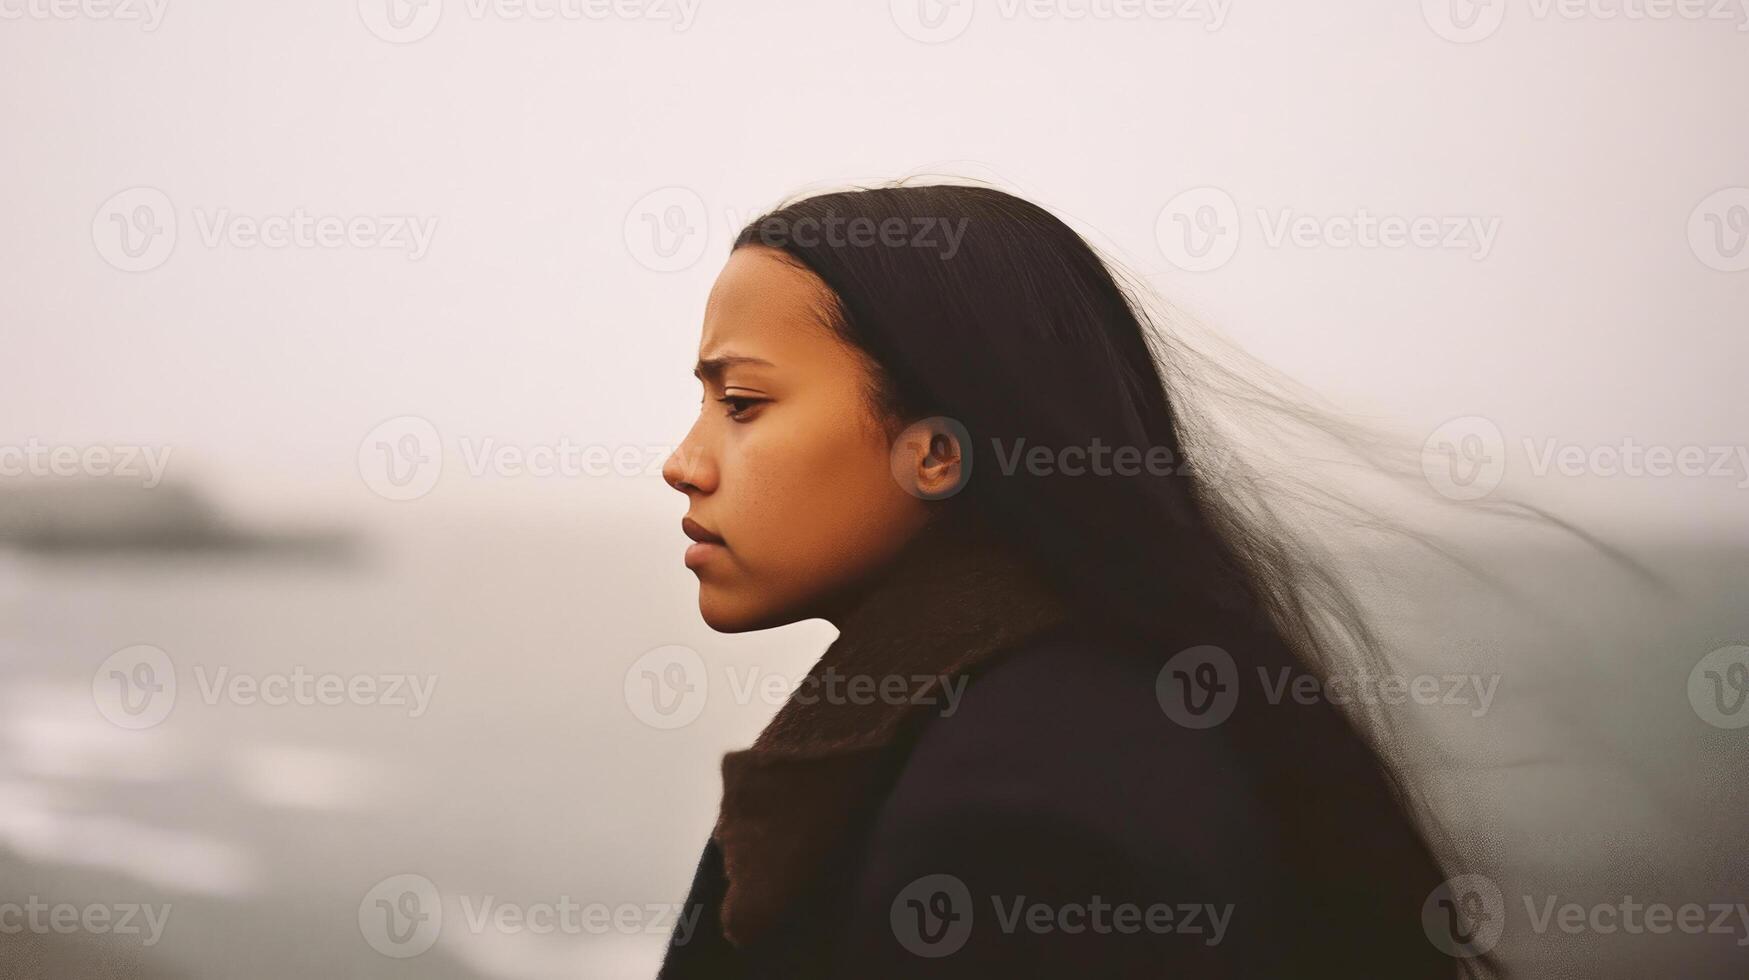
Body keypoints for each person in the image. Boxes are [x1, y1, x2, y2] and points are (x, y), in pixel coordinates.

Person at [657, 182, 1467, 977]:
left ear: (937, 454)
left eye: (740, 401)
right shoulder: (1094, 704)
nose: (682, 464)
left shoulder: (1012, 832)